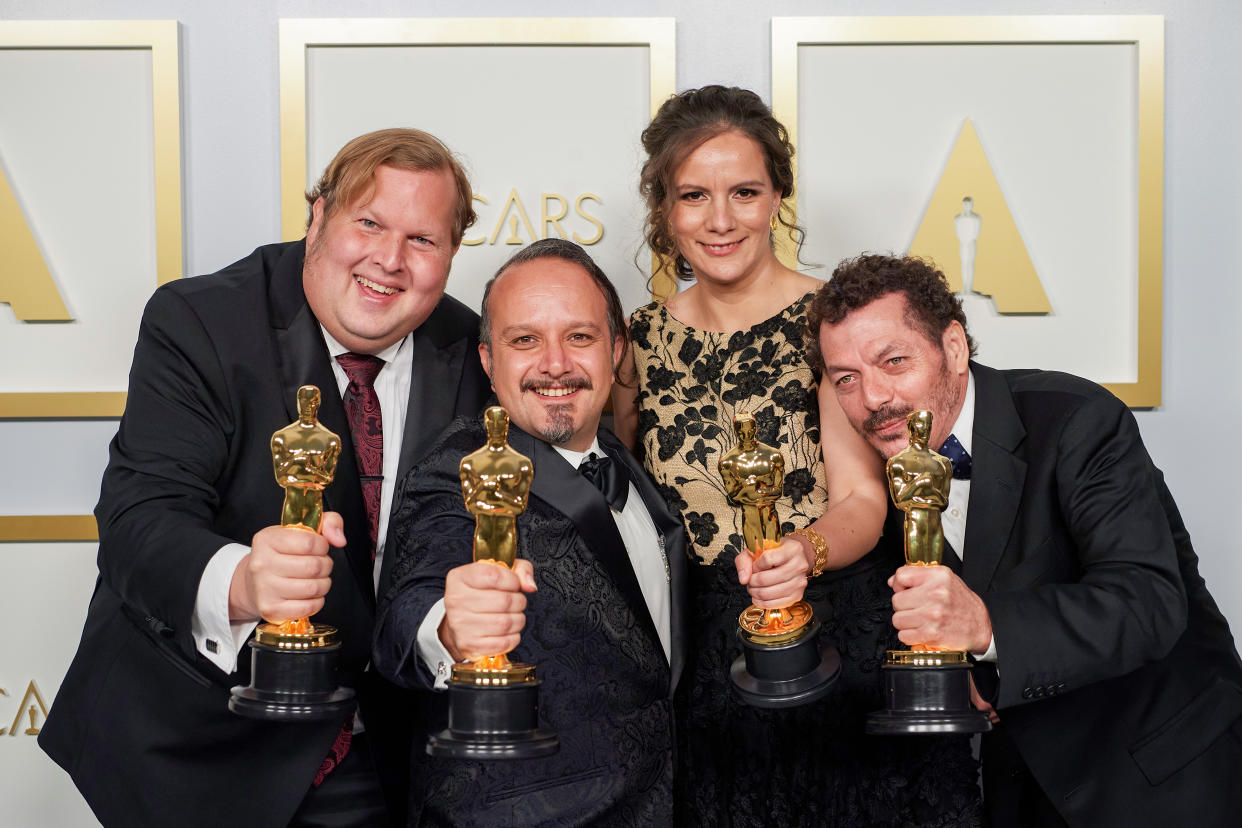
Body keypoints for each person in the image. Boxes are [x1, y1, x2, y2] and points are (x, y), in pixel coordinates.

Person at [38, 128, 491, 828]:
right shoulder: (201, 321)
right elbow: (138, 517)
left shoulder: (471, 350)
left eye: (423, 241)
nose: (389, 260)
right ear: (317, 218)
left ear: (451, 255)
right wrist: (245, 582)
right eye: (368, 223)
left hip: (389, 761)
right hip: (199, 750)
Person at [612, 85, 981, 826]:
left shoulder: (826, 322)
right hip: (704, 658)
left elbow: (863, 502)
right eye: (693, 195)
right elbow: (620, 516)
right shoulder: (636, 340)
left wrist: (802, 554)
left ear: (777, 194)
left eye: (744, 191)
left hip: (838, 629)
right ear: (663, 208)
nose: (720, 220)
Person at [808, 253, 1242, 827]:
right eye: (847, 379)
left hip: (1166, 775)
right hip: (1024, 793)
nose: (873, 398)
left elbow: (1149, 601)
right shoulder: (875, 475)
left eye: (894, 361)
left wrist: (985, 626)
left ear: (954, 349)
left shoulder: (1078, 420)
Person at [373, 238, 687, 826]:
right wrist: (448, 628)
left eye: (580, 337)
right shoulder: (456, 469)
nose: (555, 363)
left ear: (617, 350)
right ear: (489, 361)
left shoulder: (630, 462)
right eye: (525, 340)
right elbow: (406, 611)